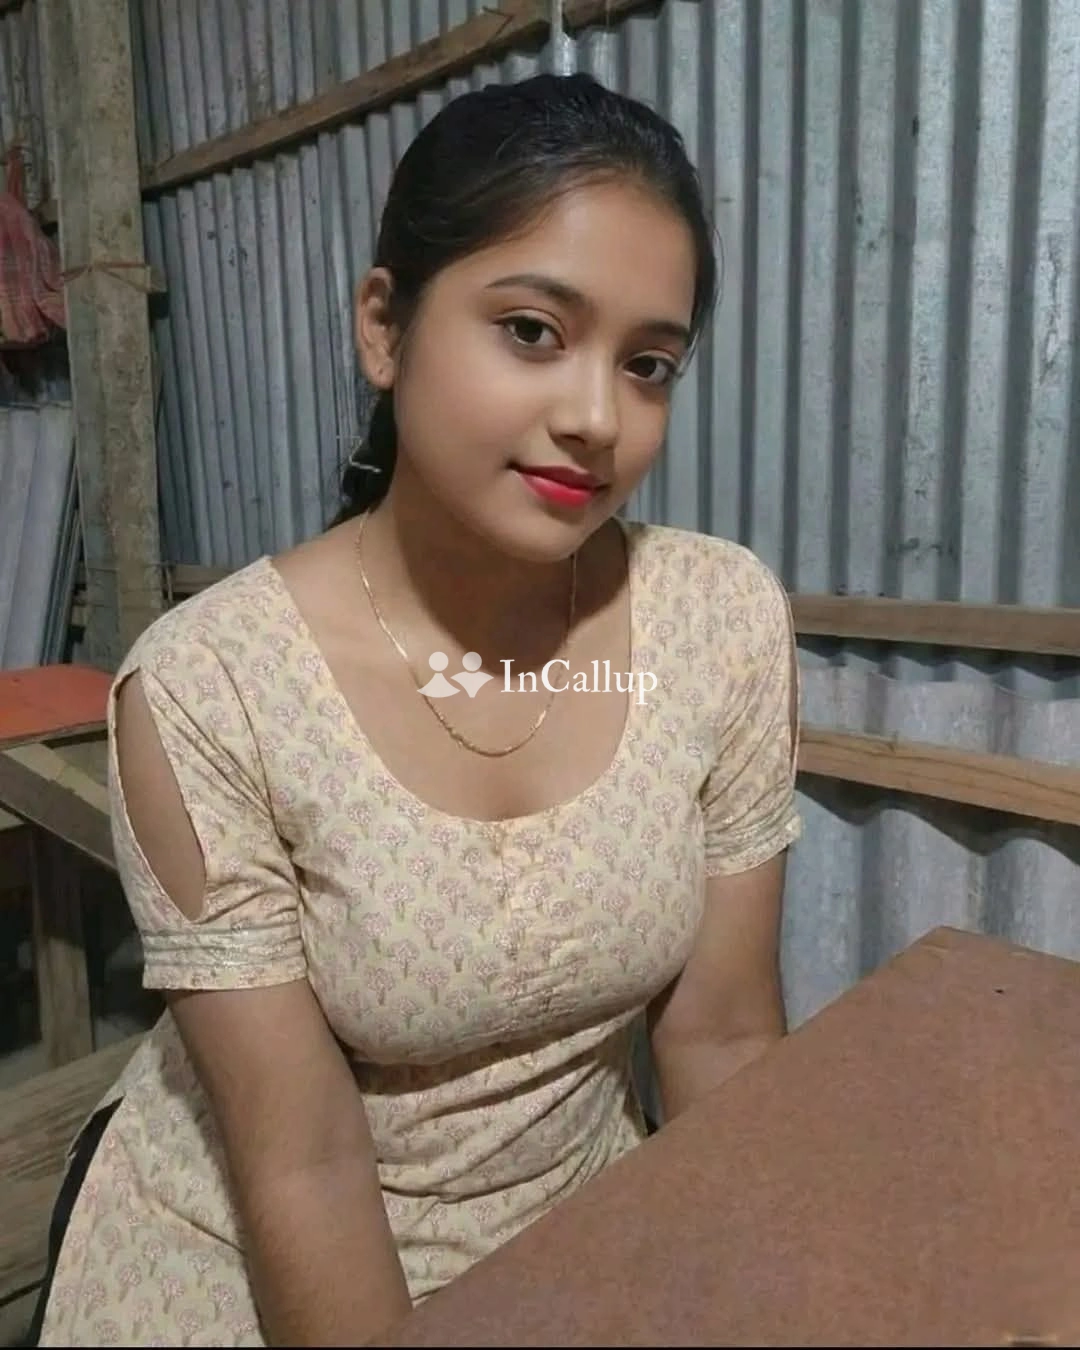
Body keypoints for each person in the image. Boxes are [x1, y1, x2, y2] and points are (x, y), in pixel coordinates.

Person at [31, 72, 802, 1348]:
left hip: (582, 1223)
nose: (596, 418)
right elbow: (304, 1162)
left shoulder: (718, 624)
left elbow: (721, 1036)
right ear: (384, 328)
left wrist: (764, 1297)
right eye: (532, 332)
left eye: (648, 364)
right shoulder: (213, 691)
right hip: (274, 1260)